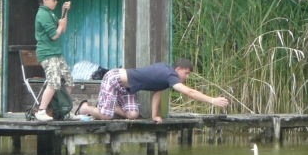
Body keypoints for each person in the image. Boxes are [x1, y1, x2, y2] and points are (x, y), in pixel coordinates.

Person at [77, 58, 229, 122]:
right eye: (186, 73)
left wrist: (154, 115)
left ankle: (108, 107)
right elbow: (189, 92)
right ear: (178, 69)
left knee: (133, 115)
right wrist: (213, 100)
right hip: (114, 78)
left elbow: (158, 92)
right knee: (106, 117)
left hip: (127, 88)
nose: (187, 77)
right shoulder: (169, 75)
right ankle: (85, 108)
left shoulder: (167, 76)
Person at [33, 0, 78, 122]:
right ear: (45, 0)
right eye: (53, 0)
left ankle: (64, 110)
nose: (56, 2)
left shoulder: (50, 13)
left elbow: (63, 29)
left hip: (56, 53)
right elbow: (54, 35)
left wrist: (64, 11)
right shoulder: (42, 14)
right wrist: (60, 25)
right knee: (54, 82)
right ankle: (41, 111)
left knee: (69, 80)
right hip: (47, 54)